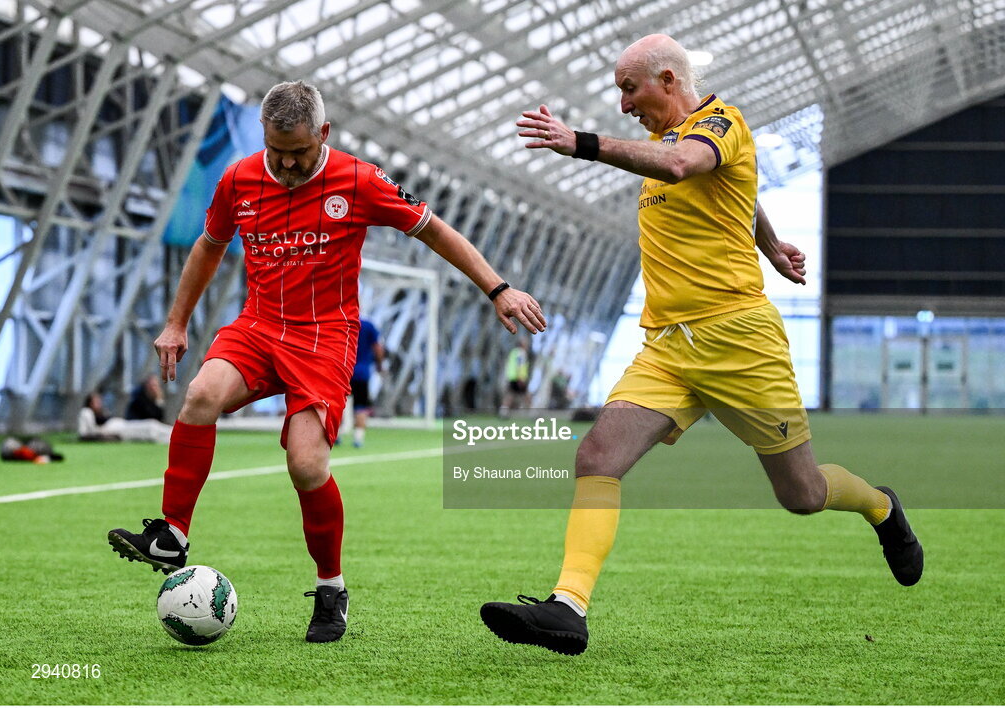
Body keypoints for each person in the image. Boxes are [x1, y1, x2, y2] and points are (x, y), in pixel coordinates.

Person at [479, 34, 923, 656]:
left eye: (629, 89)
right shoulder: (671, 143)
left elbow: (686, 166)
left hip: (740, 340)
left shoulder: (718, 122)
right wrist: (770, 244)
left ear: (667, 79)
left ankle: (881, 506)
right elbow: (737, 194)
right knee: (597, 456)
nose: (624, 104)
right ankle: (568, 607)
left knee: (802, 495)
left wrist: (580, 142)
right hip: (668, 344)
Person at [107, 80, 545, 644]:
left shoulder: (360, 180)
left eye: (298, 152)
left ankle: (331, 588)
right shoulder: (239, 178)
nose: (286, 164)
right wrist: (176, 322)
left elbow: (434, 230)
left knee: (306, 464)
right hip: (258, 325)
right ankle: (172, 533)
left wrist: (497, 288)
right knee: (199, 396)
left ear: (325, 134)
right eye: (276, 151)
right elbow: (208, 246)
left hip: (326, 336)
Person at [79, 392, 172, 444]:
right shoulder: (86, 412)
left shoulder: (101, 412)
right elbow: (84, 434)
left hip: (122, 424)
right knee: (150, 429)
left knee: (152, 424)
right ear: (90, 403)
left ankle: (174, 432)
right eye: (96, 401)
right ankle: (173, 437)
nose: (99, 403)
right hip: (117, 430)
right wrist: (109, 437)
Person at [348, 317, 383, 448]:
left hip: (343, 370)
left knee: (339, 404)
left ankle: (336, 436)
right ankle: (358, 438)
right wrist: (380, 364)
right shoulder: (368, 326)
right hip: (362, 373)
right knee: (361, 406)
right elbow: (377, 347)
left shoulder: (344, 323)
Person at [499, 338, 530, 416]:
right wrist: (521, 378)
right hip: (518, 378)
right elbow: (519, 365)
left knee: (510, 395)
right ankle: (532, 413)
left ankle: (503, 411)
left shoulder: (514, 352)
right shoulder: (521, 353)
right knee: (526, 395)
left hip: (512, 377)